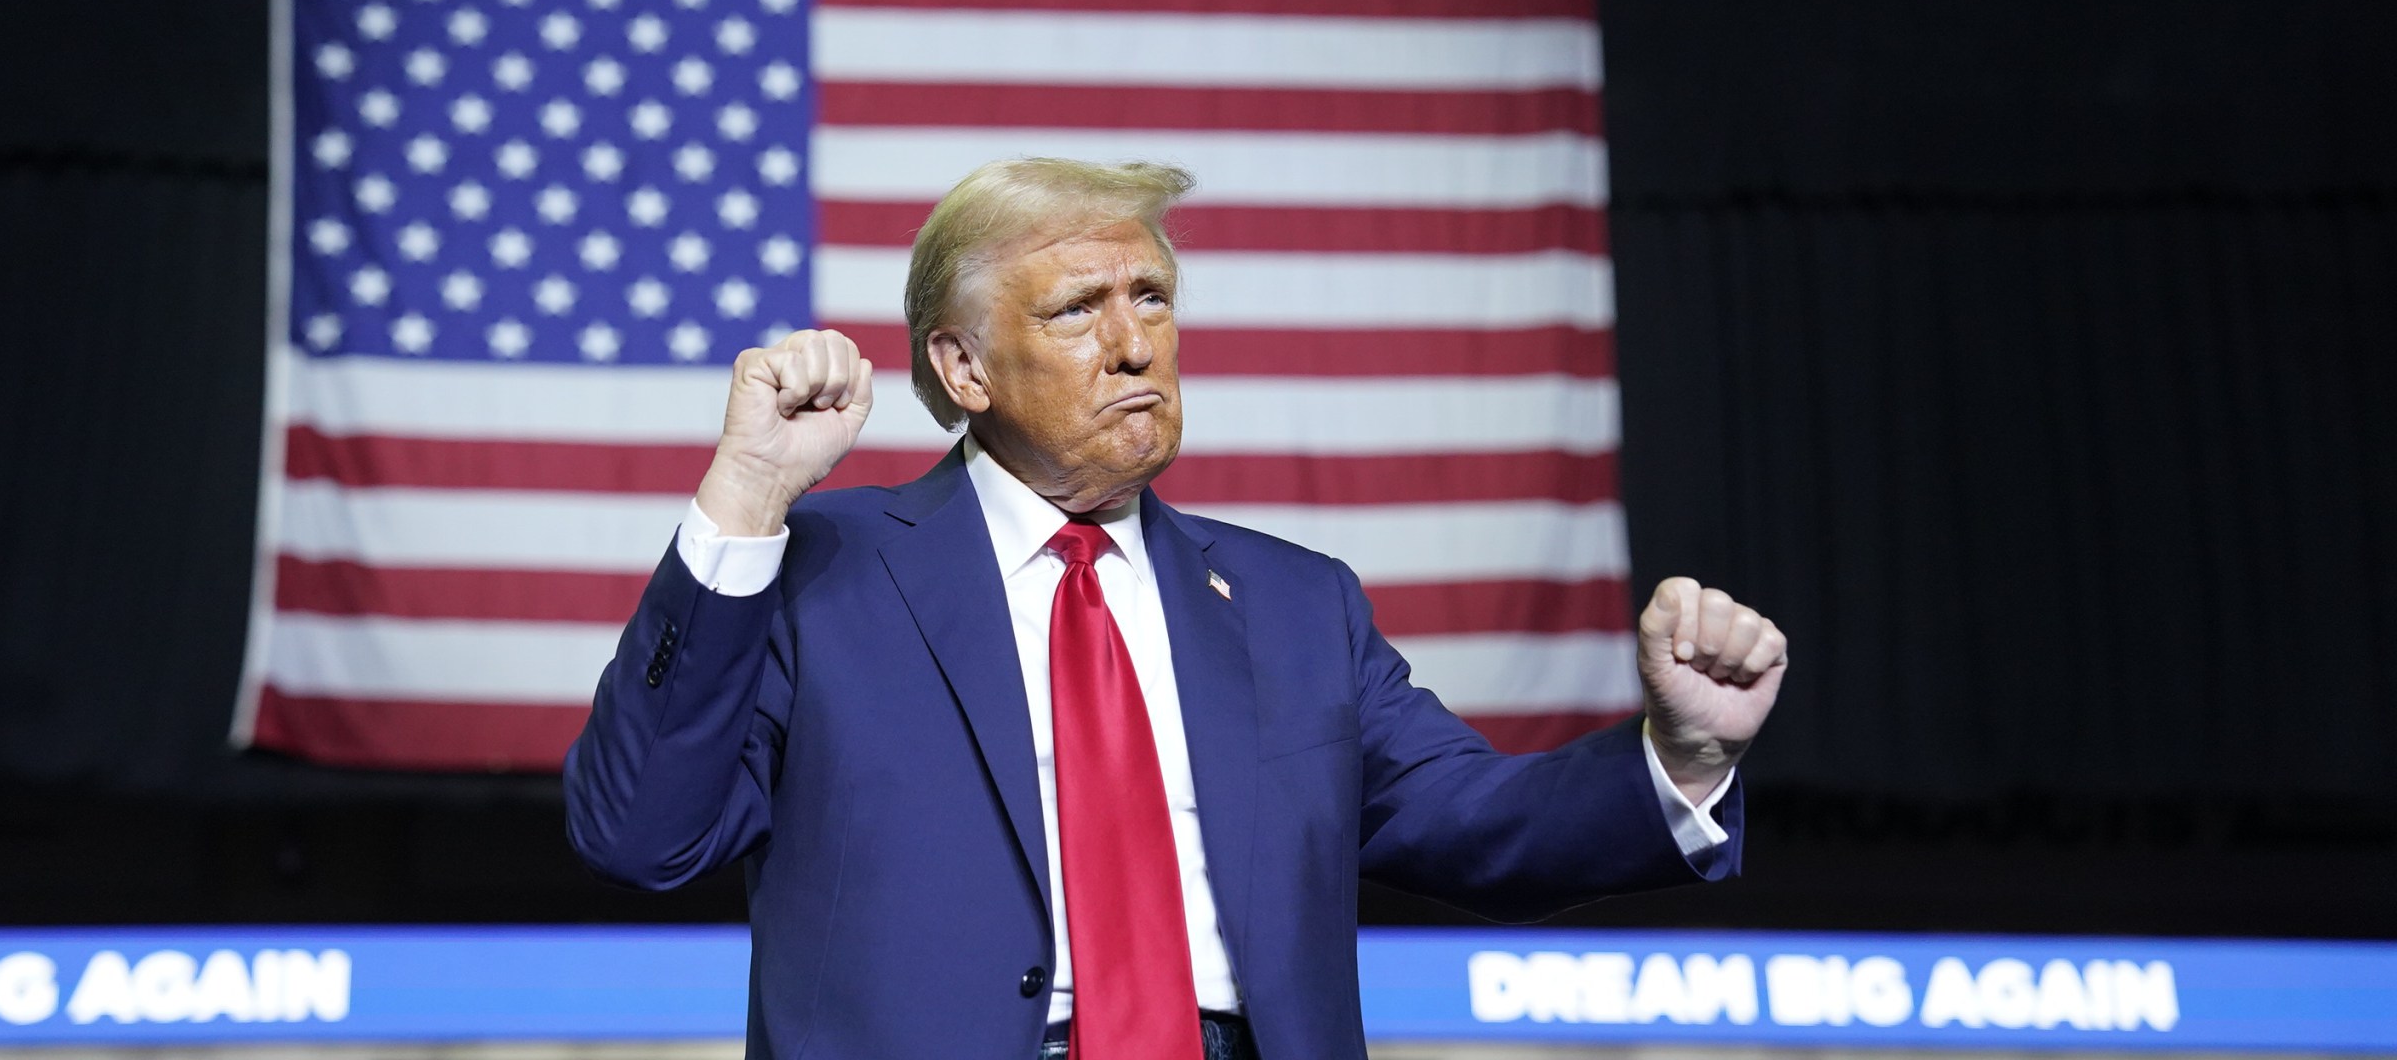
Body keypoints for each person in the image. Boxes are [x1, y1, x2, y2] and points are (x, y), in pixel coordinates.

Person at [566, 157, 1789, 1060]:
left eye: (1150, 298)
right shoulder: (822, 568)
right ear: (962, 370)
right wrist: (744, 497)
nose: (1134, 343)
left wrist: (1677, 759)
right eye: (1075, 310)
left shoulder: (1295, 604)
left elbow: (1470, 821)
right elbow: (637, 835)